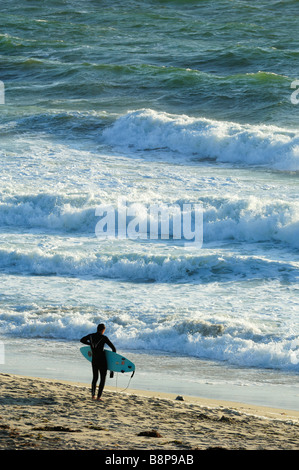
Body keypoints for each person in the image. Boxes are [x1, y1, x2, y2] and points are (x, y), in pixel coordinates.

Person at [80, 323, 116, 401]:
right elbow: (113, 348)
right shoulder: (104, 337)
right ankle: (99, 397)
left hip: (94, 360)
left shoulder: (91, 336)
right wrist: (113, 362)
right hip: (102, 361)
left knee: (95, 378)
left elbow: (82, 340)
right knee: (102, 379)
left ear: (97, 329)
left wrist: (90, 344)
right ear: (103, 330)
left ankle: (93, 396)